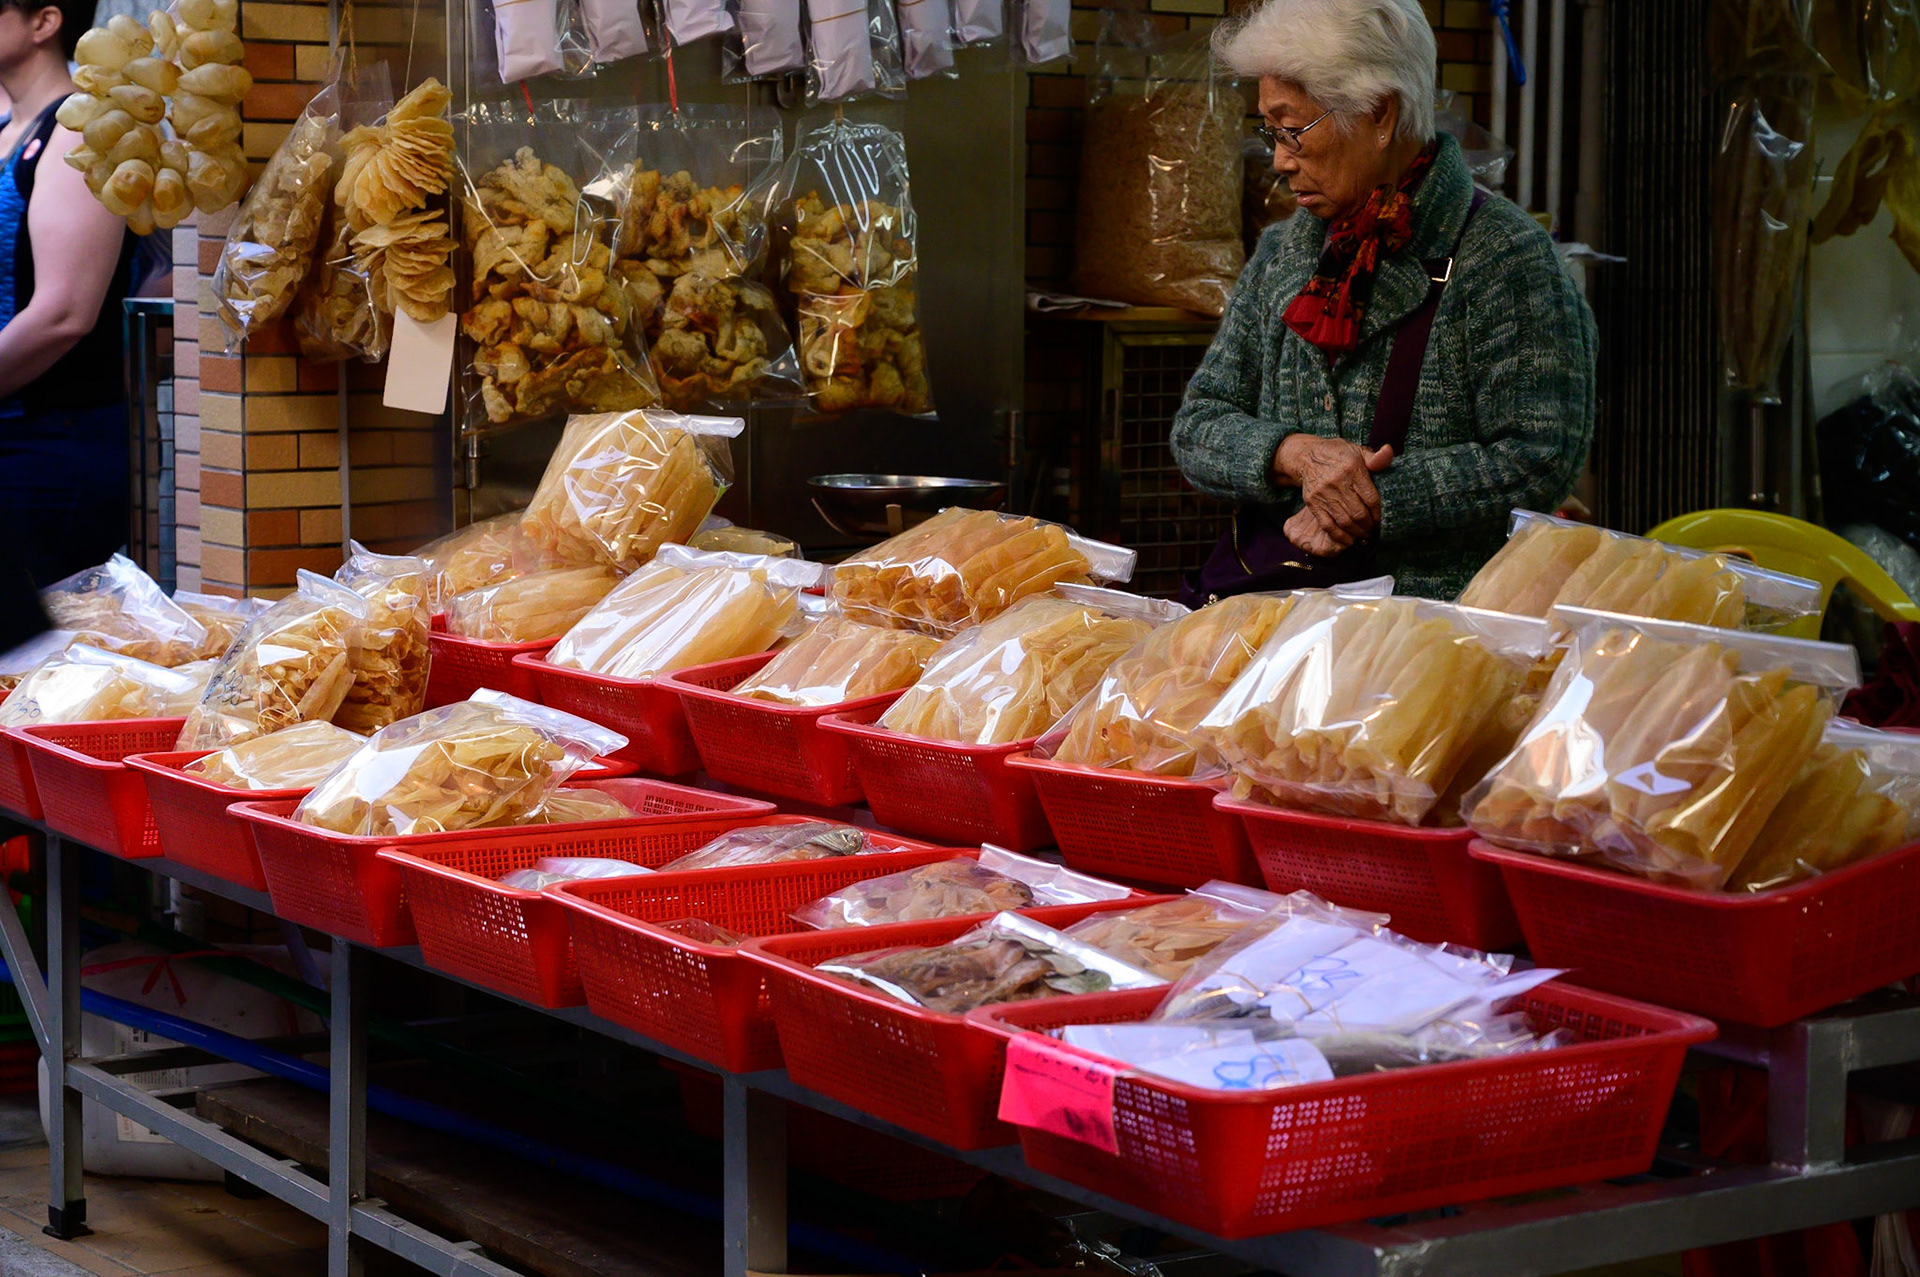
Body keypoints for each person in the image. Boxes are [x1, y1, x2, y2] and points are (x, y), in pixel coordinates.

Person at [1170, 0, 1597, 600]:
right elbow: (1199, 424)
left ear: (1379, 113)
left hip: (1436, 623)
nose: (1280, 159)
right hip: (1276, 598)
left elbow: (1538, 456)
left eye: (1292, 130)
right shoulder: (1283, 254)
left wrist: (1370, 501)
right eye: (1271, 132)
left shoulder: (1505, 256)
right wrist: (1294, 454)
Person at [0, 0, 140, 591]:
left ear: (44, 22)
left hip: (51, 446)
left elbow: (65, 314)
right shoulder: (10, 132)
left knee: (42, 669)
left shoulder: (81, 128)